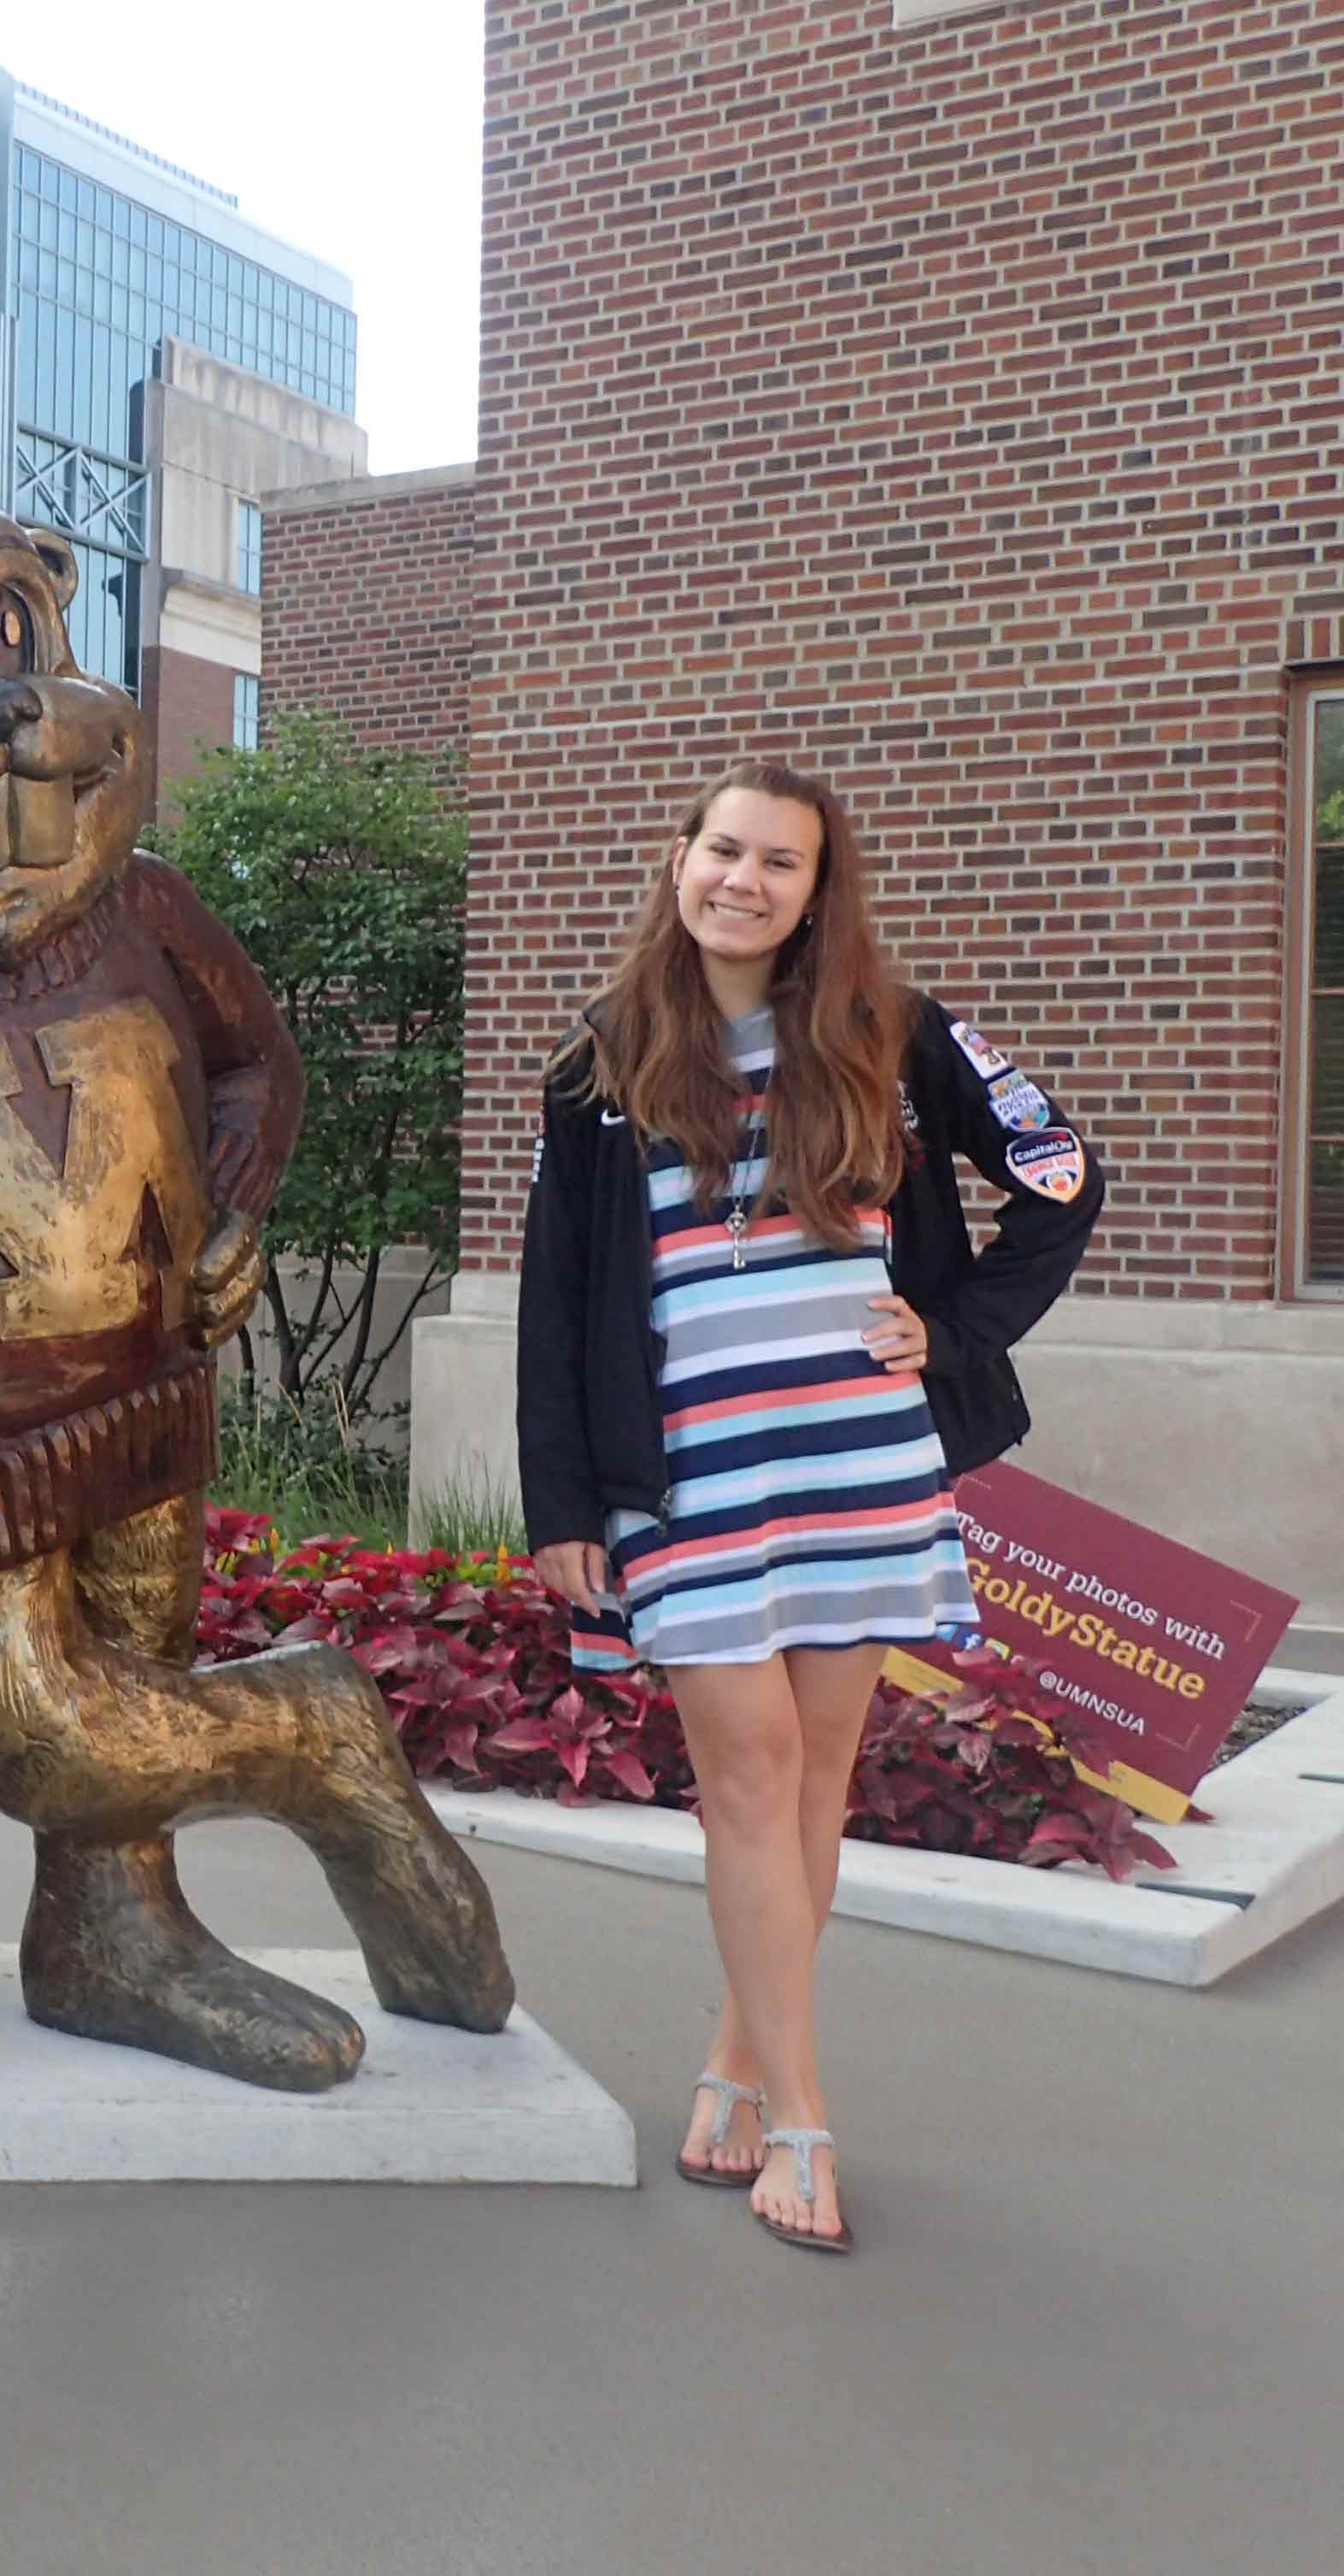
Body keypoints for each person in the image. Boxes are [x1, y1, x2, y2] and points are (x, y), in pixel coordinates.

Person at [517, 759, 1099, 2255]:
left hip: (857, 1461)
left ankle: (728, 2068)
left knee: (813, 1777)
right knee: (750, 1773)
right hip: (692, 1478)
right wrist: (563, 1502)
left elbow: (1059, 1174)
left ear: (813, 888)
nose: (744, 881)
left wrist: (953, 1327)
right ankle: (802, 2121)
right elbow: (555, 1303)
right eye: (722, 850)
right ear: (677, 859)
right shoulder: (598, 1064)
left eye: (780, 862)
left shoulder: (885, 1033)